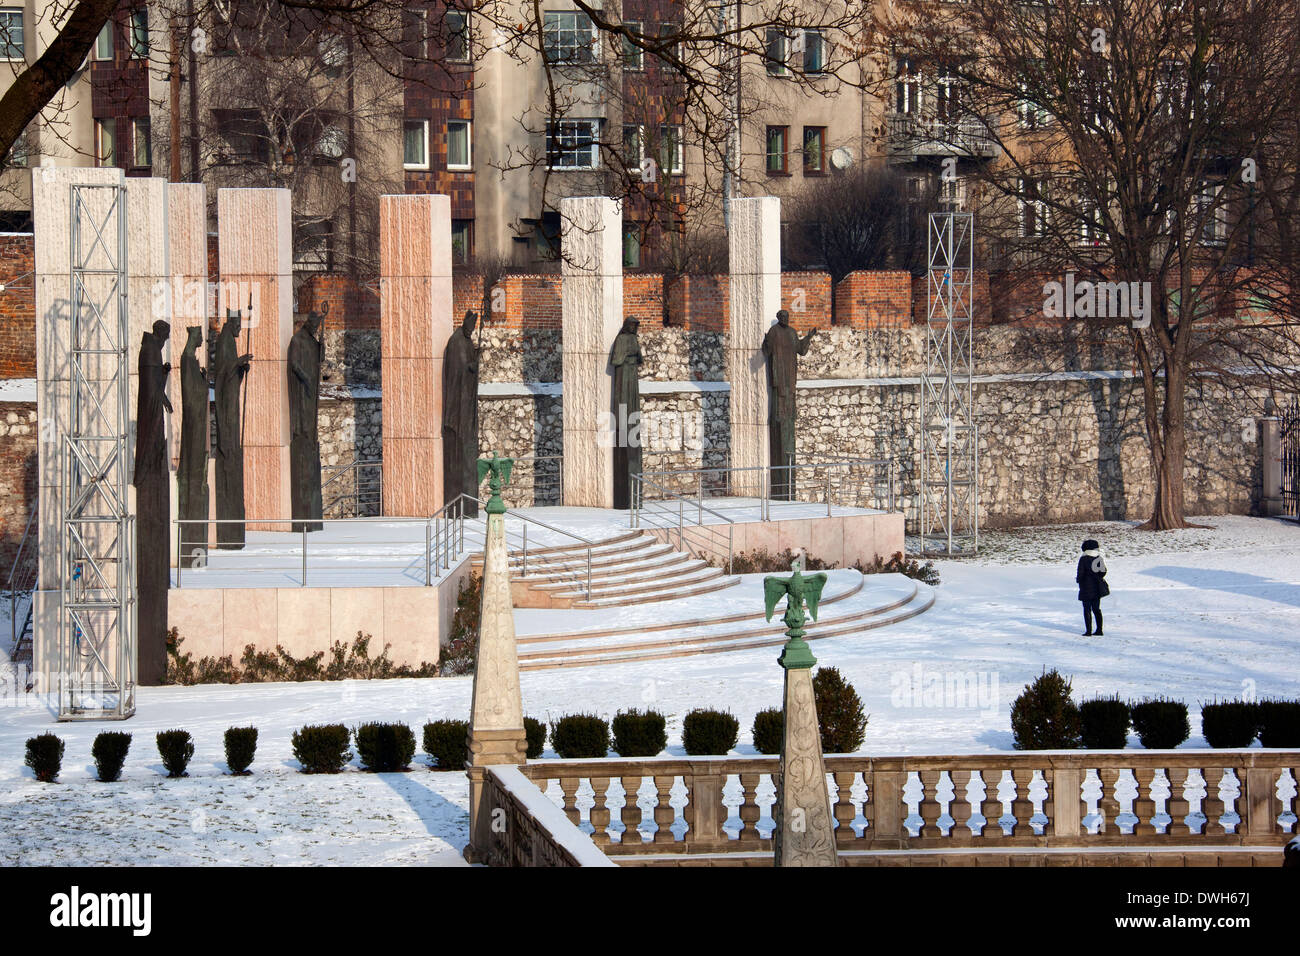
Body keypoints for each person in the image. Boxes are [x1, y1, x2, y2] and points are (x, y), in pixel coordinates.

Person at [1076, 538, 1109, 636]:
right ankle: (1099, 630)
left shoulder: (1083, 559)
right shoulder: (1098, 558)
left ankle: (1088, 631)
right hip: (1097, 587)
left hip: (1086, 587)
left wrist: (1079, 580)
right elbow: (1103, 572)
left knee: (1087, 609)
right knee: (1096, 609)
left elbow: (1080, 573)